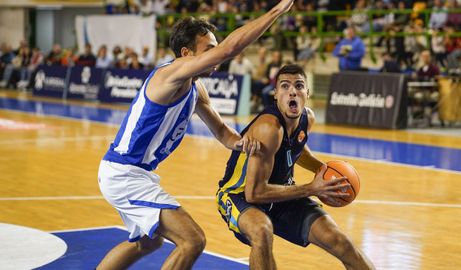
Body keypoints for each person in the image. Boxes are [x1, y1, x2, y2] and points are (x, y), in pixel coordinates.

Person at [97, 1, 295, 269]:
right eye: (209, 50)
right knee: (192, 240)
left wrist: (243, 143)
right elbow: (231, 48)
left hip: (134, 173)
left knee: (149, 241)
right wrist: (275, 12)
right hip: (124, 174)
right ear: (186, 53)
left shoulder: (196, 88)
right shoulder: (170, 75)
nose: (216, 56)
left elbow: (223, 133)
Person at [216, 64, 376, 269]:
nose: (292, 91)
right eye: (285, 86)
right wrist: (312, 188)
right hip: (239, 195)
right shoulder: (269, 129)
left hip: (282, 195)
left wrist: (325, 172)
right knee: (261, 231)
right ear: (275, 94)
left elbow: (296, 151)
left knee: (340, 242)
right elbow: (254, 193)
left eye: (299, 85)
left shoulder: (307, 118)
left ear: (307, 93)